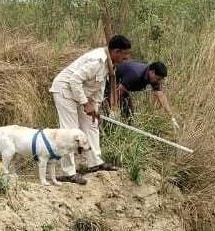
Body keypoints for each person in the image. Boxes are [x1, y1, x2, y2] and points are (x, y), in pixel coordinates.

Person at [49, 35, 132, 183]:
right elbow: (74, 80)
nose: (127, 58)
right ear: (116, 51)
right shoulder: (97, 61)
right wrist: (86, 104)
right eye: (125, 54)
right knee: (70, 131)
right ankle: (69, 173)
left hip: (80, 93)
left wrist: (96, 108)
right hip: (64, 90)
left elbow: (98, 88)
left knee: (92, 124)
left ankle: (95, 163)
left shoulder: (109, 64)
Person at [109, 58, 179, 128]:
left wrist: (171, 118)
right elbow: (118, 91)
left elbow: (160, 96)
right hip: (108, 80)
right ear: (152, 72)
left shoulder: (153, 77)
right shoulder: (136, 74)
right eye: (158, 79)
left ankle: (127, 127)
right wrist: (113, 109)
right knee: (107, 112)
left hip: (120, 87)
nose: (159, 81)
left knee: (129, 114)